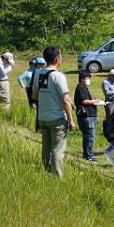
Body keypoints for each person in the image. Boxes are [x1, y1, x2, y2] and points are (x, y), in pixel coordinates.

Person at [32, 46, 74, 178]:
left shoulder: (38, 73)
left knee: (46, 148)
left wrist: (48, 98)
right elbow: (65, 100)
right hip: (57, 118)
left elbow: (35, 95)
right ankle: (57, 177)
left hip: (42, 117)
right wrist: (71, 120)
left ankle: (47, 172)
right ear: (57, 58)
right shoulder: (58, 76)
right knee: (57, 150)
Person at [73, 71, 102, 161]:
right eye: (87, 78)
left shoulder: (83, 88)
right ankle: (89, 156)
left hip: (89, 115)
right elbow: (84, 101)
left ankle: (87, 154)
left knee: (87, 136)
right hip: (86, 116)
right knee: (89, 135)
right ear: (82, 79)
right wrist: (95, 101)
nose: (89, 80)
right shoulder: (81, 88)